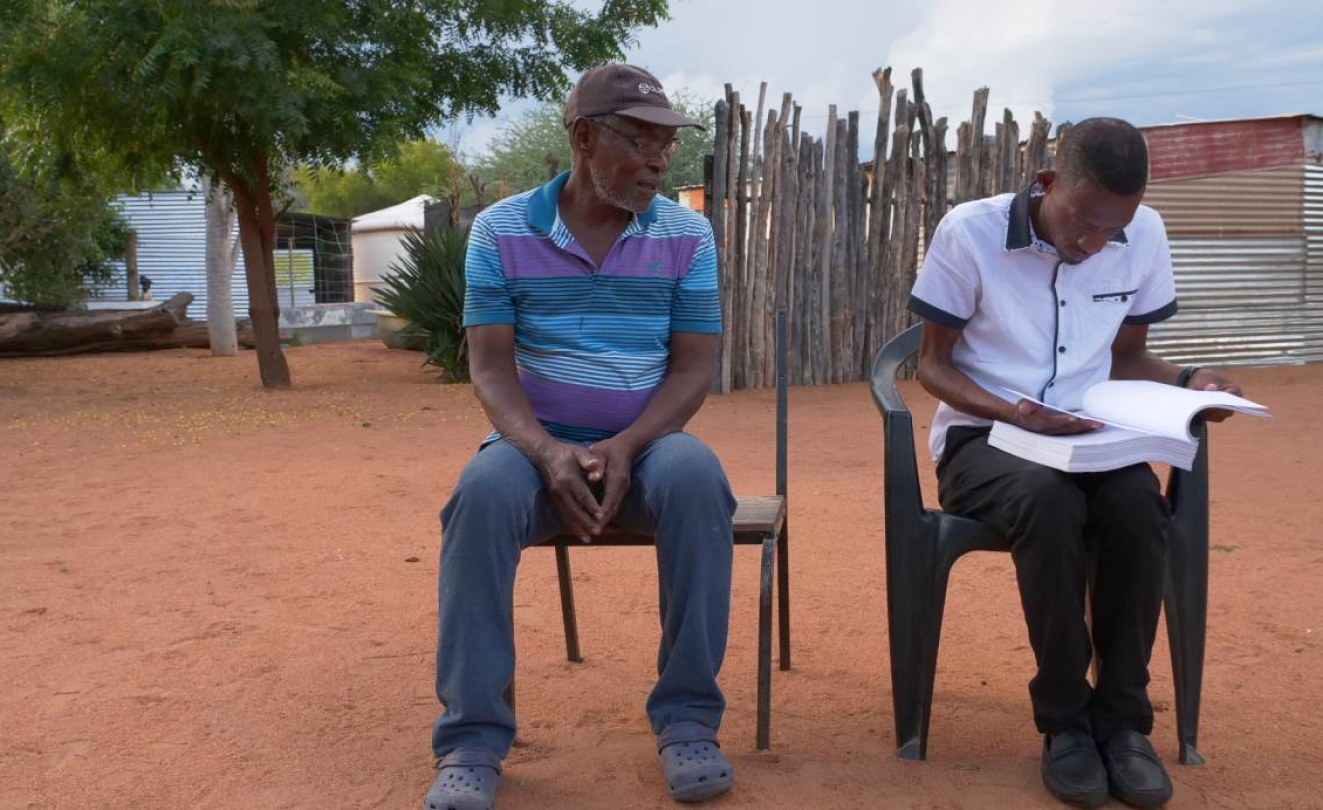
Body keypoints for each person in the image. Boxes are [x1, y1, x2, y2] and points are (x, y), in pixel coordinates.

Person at [423, 63, 737, 810]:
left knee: (697, 478)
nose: (660, 161)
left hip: (650, 448)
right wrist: (545, 451)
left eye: (668, 145)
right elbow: (491, 370)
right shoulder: (501, 230)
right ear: (583, 136)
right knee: (478, 496)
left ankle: (688, 717)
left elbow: (695, 369)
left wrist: (627, 446)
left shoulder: (687, 235)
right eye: (641, 141)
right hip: (537, 449)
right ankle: (471, 738)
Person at [907, 118, 1242, 809]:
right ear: (1047, 183)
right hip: (987, 440)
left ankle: (1121, 724)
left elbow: (1125, 357)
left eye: (1109, 232)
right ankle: (1063, 722)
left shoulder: (1141, 233)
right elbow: (931, 367)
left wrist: (1192, 385)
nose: (1092, 245)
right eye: (1081, 223)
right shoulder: (967, 233)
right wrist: (1017, 412)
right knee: (1048, 502)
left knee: (1135, 508)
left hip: (1089, 437)